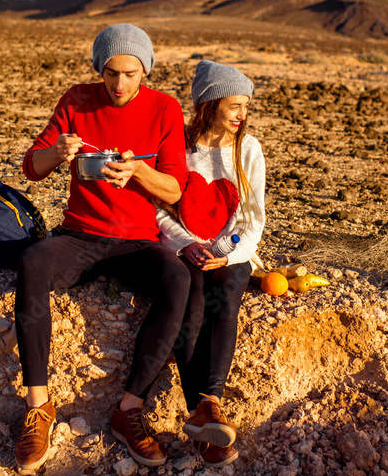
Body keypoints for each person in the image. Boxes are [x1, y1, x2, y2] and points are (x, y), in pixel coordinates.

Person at [13, 23, 191, 472]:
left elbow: (173, 190)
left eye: (130, 73)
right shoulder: (76, 99)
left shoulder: (165, 109)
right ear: (100, 69)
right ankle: (39, 406)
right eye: (111, 72)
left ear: (145, 71)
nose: (119, 84)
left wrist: (137, 174)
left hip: (136, 242)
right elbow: (31, 167)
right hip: (80, 236)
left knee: (177, 278)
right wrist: (59, 153)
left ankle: (129, 409)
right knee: (33, 261)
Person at [156, 60, 265, 469]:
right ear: (209, 103)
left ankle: (210, 402)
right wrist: (188, 245)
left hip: (231, 250)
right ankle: (203, 418)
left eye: (245, 106)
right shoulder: (177, 147)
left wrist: (226, 250)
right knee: (192, 296)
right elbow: (160, 212)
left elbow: (253, 218)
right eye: (234, 105)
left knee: (229, 290)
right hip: (183, 248)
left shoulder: (248, 149)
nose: (242, 114)